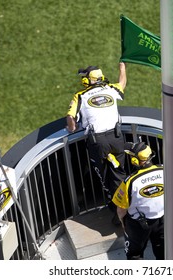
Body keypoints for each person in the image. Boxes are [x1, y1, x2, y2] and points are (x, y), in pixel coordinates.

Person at [66, 62, 127, 224]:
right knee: (119, 174)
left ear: (88, 80)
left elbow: (71, 119)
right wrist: (122, 68)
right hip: (117, 137)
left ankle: (118, 213)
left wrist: (71, 128)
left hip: (98, 142)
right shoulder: (111, 89)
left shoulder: (80, 96)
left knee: (105, 177)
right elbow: (122, 83)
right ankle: (128, 209)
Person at [112, 142, 164, 260]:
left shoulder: (130, 181)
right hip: (163, 221)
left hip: (138, 225)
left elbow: (121, 209)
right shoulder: (165, 170)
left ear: (136, 161)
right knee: (163, 252)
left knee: (135, 255)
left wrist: (123, 223)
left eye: (132, 156)